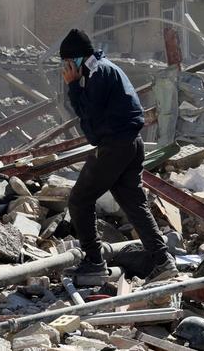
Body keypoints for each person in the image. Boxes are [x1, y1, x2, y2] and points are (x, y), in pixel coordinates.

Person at [60, 28, 176, 281]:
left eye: (67, 62)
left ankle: (94, 261)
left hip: (115, 146)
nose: (66, 68)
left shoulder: (97, 75)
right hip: (132, 143)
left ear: (75, 58)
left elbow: (89, 118)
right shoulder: (104, 69)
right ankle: (163, 260)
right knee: (133, 202)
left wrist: (73, 86)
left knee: (79, 200)